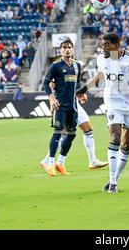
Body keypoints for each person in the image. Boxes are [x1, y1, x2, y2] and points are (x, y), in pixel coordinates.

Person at [76, 32, 129, 193]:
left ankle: (114, 179)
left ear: (117, 45)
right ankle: (112, 183)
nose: (103, 47)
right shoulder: (101, 58)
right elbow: (101, 74)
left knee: (127, 143)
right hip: (112, 102)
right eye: (102, 44)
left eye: (106, 44)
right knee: (115, 136)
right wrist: (85, 88)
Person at [40, 81, 109, 170]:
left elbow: (71, 85)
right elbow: (51, 84)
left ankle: (93, 161)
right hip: (64, 103)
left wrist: (79, 94)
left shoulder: (75, 68)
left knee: (88, 129)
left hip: (74, 102)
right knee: (65, 133)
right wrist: (52, 100)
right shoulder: (59, 67)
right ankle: (47, 161)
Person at [41, 39, 85, 176]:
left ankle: (61, 162)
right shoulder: (55, 66)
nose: (67, 50)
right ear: (60, 50)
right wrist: (51, 98)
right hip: (60, 106)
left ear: (73, 49)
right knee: (58, 132)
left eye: (69, 47)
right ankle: (50, 164)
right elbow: (45, 84)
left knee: (71, 135)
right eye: (64, 47)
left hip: (73, 107)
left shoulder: (77, 65)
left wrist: (80, 94)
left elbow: (76, 85)